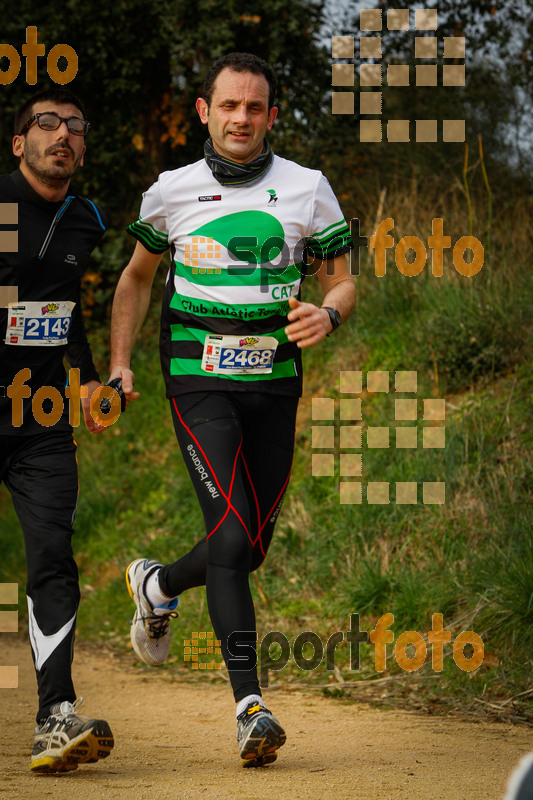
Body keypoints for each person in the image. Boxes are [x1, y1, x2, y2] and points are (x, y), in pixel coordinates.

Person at [110, 52, 355, 767]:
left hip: (275, 381)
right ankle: (249, 705)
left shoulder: (307, 188)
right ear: (204, 112)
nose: (241, 118)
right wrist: (121, 363)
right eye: (228, 106)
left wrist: (328, 315)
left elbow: (342, 282)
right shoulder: (170, 190)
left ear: (271, 115)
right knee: (230, 527)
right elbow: (134, 278)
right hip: (197, 375)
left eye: (254, 107)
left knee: (246, 548)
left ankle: (156, 584)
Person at [0, 88, 114, 772]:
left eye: (75, 124)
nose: (63, 134)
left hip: (41, 422)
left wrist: (91, 378)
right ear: (19, 144)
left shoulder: (87, 220)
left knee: (52, 558)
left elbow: (66, 312)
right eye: (47, 123)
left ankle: (55, 716)